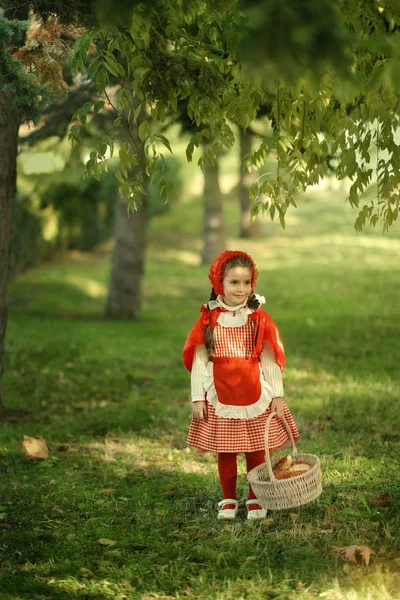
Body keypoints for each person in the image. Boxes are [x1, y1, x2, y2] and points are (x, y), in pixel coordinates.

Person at [183, 250, 299, 520]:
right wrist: (197, 397)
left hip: (255, 393)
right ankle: (228, 499)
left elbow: (270, 360)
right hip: (220, 395)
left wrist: (278, 396)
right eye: (234, 282)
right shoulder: (208, 319)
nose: (241, 288)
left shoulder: (258, 318)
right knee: (226, 450)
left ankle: (255, 498)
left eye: (246, 282)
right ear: (219, 284)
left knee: (257, 449)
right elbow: (200, 361)